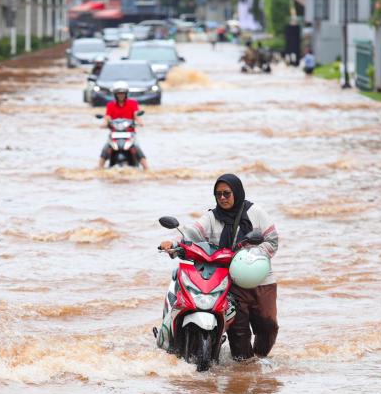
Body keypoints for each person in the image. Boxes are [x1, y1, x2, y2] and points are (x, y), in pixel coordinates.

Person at [160, 174, 279, 360]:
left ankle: (260, 360)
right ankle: (244, 369)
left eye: (226, 193)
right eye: (218, 194)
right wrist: (172, 243)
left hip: (261, 280)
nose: (222, 198)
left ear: (237, 192)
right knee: (239, 333)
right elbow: (191, 233)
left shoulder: (256, 213)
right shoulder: (212, 217)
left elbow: (272, 240)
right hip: (230, 282)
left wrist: (253, 256)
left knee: (268, 325)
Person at [98, 81, 149, 170]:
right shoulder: (110, 105)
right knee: (106, 147)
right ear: (115, 94)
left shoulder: (133, 103)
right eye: (118, 93)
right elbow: (107, 117)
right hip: (114, 133)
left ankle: (147, 168)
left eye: (122, 93)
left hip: (129, 133)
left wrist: (140, 122)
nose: (120, 95)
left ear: (126, 93)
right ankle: (99, 168)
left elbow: (136, 115)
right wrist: (104, 124)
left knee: (136, 147)